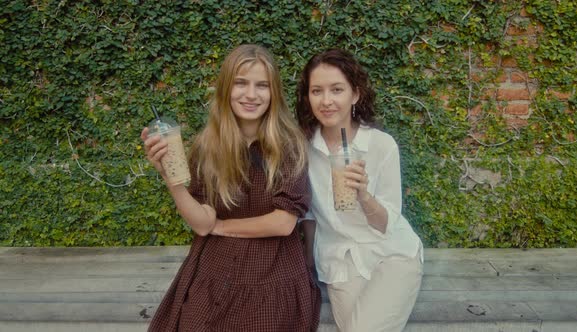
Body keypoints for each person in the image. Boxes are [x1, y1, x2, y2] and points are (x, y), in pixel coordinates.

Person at [142, 44, 321, 332]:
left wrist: (223, 227)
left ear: (273, 93)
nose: (251, 94)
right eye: (241, 83)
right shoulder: (207, 146)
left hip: (273, 275)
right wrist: (170, 178)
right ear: (226, 88)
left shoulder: (290, 145)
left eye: (262, 85)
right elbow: (202, 224)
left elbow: (284, 222)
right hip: (216, 271)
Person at [296, 48, 423, 332]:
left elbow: (385, 224)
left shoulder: (380, 145)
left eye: (337, 90)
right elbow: (308, 217)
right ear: (308, 97)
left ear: (355, 94)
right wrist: (307, 269)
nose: (326, 101)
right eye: (317, 91)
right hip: (340, 262)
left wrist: (365, 196)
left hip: (392, 254)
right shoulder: (302, 150)